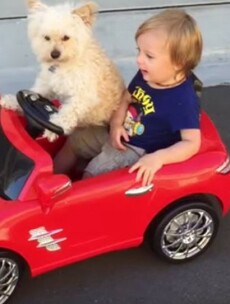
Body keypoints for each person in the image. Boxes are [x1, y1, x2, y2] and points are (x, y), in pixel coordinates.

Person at [54, 9, 203, 186]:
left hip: (136, 149)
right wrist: (116, 124)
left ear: (178, 63)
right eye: (139, 51)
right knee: (76, 141)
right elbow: (126, 97)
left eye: (149, 56)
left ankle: (72, 206)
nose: (139, 60)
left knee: (92, 176)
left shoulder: (182, 101)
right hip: (116, 131)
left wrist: (158, 158)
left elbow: (192, 143)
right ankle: (45, 186)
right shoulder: (148, 74)